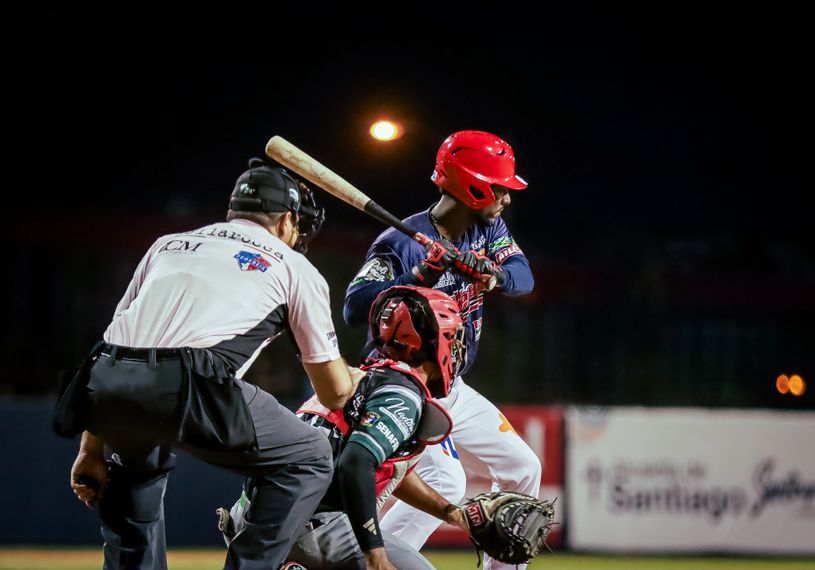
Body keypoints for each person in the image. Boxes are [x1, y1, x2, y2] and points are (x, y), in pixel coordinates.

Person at [56, 157, 361, 569]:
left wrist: (91, 449)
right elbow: (334, 393)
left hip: (106, 378)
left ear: (234, 210)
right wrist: (356, 378)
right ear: (287, 219)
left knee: (133, 474)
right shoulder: (294, 266)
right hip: (189, 383)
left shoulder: (167, 244)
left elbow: (118, 338)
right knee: (309, 455)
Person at [343, 130, 540, 570]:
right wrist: (420, 275)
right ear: (474, 187)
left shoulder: (488, 229)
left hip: (453, 386)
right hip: (403, 385)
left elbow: (523, 276)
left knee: (524, 468)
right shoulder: (400, 242)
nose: (506, 198)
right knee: (447, 482)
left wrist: (492, 275)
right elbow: (354, 308)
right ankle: (358, 562)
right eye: (499, 188)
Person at [219, 286, 470, 570]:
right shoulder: (402, 394)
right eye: (452, 337)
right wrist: (374, 555)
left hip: (255, 516)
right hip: (308, 523)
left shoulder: (361, 379)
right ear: (431, 341)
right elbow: (356, 463)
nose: (457, 347)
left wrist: (453, 514)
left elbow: (379, 465)